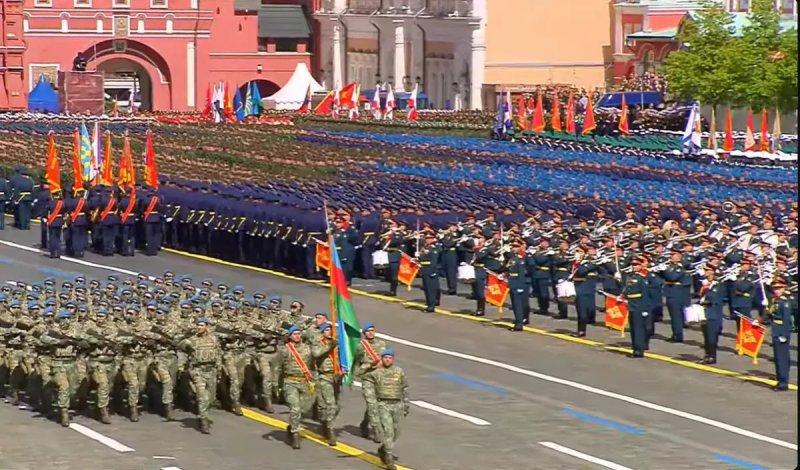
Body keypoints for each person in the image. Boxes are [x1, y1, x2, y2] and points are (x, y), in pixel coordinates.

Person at [275, 325, 333, 449]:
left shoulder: (307, 348)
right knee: (295, 409)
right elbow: (277, 368)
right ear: (290, 336)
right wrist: (276, 385)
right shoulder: (284, 350)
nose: (297, 336)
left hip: (305, 382)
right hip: (290, 382)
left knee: (304, 409)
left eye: (299, 334)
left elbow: (317, 355)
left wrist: (330, 345)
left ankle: (291, 426)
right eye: (294, 334)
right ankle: (295, 435)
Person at [365, 348, 409, 470]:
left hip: (398, 405)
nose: (387, 360)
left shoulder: (399, 371)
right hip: (383, 405)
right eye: (385, 357)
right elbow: (362, 375)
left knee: (396, 432)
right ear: (382, 359)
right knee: (388, 431)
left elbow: (404, 388)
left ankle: (383, 449)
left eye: (390, 358)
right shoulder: (376, 373)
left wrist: (406, 405)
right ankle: (388, 458)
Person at [177, 315, 219, 434]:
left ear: (206, 326)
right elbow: (177, 344)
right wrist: (185, 334)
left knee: (211, 398)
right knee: (202, 397)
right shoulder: (191, 340)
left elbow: (218, 353)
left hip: (211, 370)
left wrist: (219, 369)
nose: (199, 327)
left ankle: (204, 413)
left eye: (201, 325)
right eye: (198, 325)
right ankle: (203, 420)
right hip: (197, 371)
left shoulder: (214, 339)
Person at [354, 321, 387, 442]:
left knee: (379, 405)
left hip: (381, 379)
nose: (371, 333)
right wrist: (368, 365)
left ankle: (364, 423)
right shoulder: (360, 346)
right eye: (368, 331)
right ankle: (377, 431)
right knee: (372, 404)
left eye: (372, 330)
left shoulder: (382, 344)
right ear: (364, 333)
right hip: (368, 379)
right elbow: (356, 365)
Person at [315, 322, 342, 446]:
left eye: (331, 330)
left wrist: (342, 371)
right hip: (324, 377)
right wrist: (330, 346)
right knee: (330, 405)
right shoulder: (319, 343)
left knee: (336, 406)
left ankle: (325, 422)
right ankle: (330, 430)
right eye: (326, 330)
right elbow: (316, 354)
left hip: (336, 377)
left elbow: (343, 359)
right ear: (322, 332)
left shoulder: (337, 344)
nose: (329, 332)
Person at [621, 257, 649, 358]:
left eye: (636, 265)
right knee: (633, 328)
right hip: (631, 305)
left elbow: (645, 294)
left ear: (641, 266)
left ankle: (639, 350)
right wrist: (622, 295)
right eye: (633, 265)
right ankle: (634, 347)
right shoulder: (630, 276)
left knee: (638, 329)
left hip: (639, 305)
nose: (634, 267)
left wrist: (645, 309)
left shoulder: (642, 278)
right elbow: (627, 289)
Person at [768, 279, 791, 392]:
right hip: (776, 331)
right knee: (778, 357)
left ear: (783, 289)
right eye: (775, 289)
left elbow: (786, 320)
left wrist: (784, 335)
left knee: (782, 358)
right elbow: (771, 315)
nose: (776, 291)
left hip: (782, 332)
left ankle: (783, 382)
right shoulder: (775, 301)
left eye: (778, 289)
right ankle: (780, 379)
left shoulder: (784, 302)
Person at [699, 268, 724, 365]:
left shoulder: (719, 286)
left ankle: (712, 356)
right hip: (704, 312)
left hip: (713, 314)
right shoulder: (706, 285)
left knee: (711, 337)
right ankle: (707, 355)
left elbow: (714, 299)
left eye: (708, 272)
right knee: (706, 336)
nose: (706, 273)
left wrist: (707, 289)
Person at [417, 231, 441, 312]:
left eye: (429, 238)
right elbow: (422, 259)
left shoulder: (434, 248)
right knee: (426, 288)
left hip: (430, 270)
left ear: (433, 239)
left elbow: (434, 261)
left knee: (431, 289)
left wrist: (433, 271)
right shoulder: (424, 248)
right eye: (426, 238)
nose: (427, 240)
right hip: (424, 269)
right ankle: (428, 303)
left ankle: (431, 306)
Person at [45, 189, 65, 259]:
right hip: (59, 221)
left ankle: (53, 253)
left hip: (52, 221)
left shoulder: (50, 203)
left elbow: (46, 211)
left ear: (52, 195)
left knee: (52, 238)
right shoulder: (62, 203)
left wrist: (46, 218)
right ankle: (58, 253)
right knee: (58, 238)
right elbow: (64, 212)